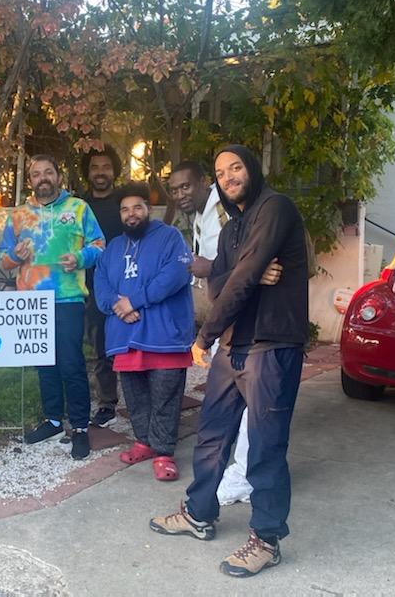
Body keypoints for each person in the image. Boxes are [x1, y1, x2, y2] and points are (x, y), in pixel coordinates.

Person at [149, 144, 309, 578]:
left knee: (265, 446)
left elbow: (236, 278)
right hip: (234, 347)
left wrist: (206, 333)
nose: (229, 176)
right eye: (222, 172)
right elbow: (220, 282)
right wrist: (251, 272)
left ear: (251, 168)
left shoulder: (275, 209)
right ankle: (199, 513)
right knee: (212, 436)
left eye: (235, 167)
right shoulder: (234, 226)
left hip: (272, 346)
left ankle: (266, 539)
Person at [166, 161, 263, 506]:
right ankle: (237, 473)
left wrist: (209, 267)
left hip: (249, 318)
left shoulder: (223, 209)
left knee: (252, 402)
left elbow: (245, 258)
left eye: (186, 186)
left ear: (204, 182)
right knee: (233, 402)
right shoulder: (202, 213)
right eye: (175, 190)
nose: (180, 194)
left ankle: (245, 475)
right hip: (230, 315)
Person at [0, 154, 105, 460]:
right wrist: (15, 256)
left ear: (58, 176)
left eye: (48, 172)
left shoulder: (79, 208)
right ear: (30, 180)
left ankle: (81, 427)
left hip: (67, 297)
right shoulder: (18, 215)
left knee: (71, 363)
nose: (42, 178)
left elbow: (99, 245)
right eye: (35, 174)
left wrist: (80, 258)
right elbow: (1, 258)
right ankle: (54, 421)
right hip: (31, 302)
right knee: (44, 364)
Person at [93, 183, 194, 481]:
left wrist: (134, 300)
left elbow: (175, 275)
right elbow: (101, 287)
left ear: (149, 209)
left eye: (137, 207)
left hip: (164, 336)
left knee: (165, 396)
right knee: (135, 397)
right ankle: (144, 442)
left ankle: (163, 452)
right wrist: (116, 304)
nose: (131, 214)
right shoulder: (112, 248)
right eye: (125, 209)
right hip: (125, 337)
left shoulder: (170, 237)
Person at [79, 146, 125, 428]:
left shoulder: (125, 203)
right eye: (95, 167)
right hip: (91, 284)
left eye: (106, 167)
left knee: (130, 343)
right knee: (99, 346)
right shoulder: (79, 206)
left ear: (114, 171)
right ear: (87, 172)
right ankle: (106, 403)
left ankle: (141, 395)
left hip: (124, 283)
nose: (100, 172)